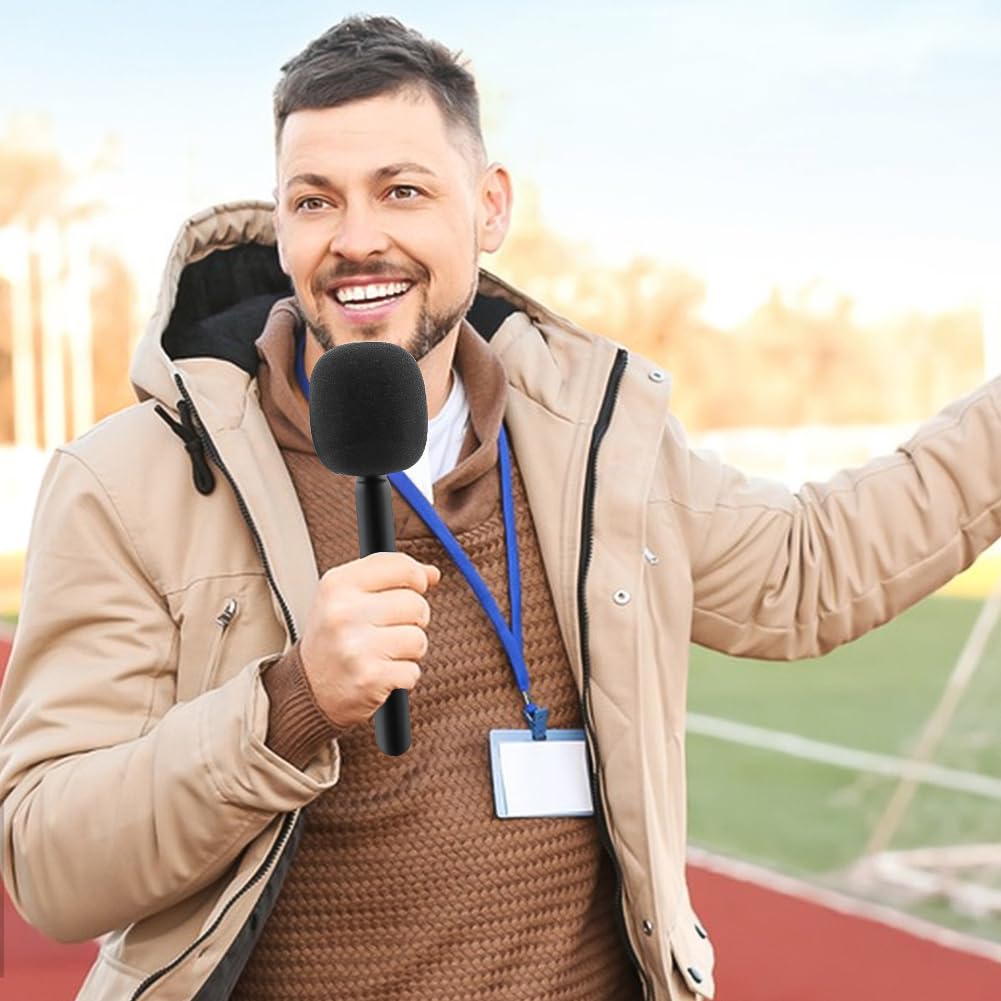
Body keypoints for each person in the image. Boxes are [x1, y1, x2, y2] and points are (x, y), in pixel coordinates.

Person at [0, 13, 998, 1001]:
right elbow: (51, 862)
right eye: (314, 200)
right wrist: (288, 702)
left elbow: (803, 568)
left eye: (401, 190)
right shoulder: (133, 478)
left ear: (488, 208)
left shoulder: (590, 436)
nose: (357, 238)